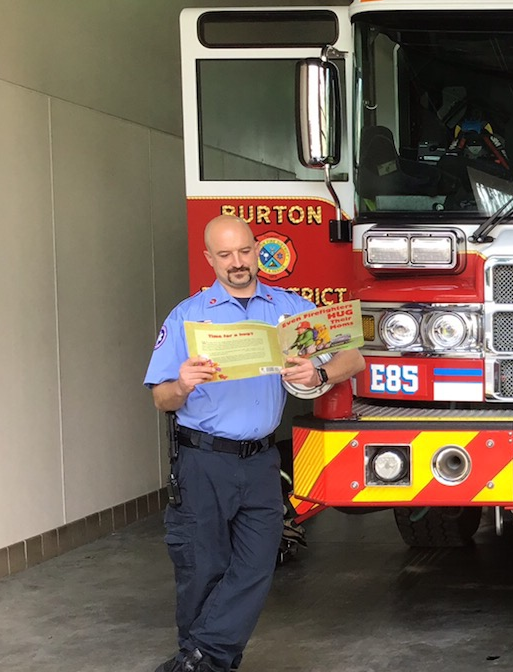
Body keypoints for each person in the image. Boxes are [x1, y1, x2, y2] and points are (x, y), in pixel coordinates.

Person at [145, 215, 365, 672]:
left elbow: (354, 355)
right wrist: (182, 383)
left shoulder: (289, 311)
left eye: (244, 251)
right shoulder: (188, 316)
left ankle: (197, 659)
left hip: (261, 461)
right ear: (210, 259)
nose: (237, 262)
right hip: (203, 460)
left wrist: (319, 373)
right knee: (202, 570)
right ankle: (207, 662)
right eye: (224, 255)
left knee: (256, 567)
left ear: (257, 249)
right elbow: (160, 398)